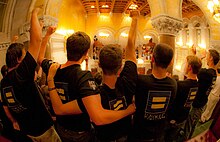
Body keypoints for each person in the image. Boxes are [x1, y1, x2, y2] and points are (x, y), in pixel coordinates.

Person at [39, 28, 135, 142]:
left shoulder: (53, 68)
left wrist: (47, 36)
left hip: (60, 127)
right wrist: (128, 111)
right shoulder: (83, 77)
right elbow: (98, 117)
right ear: (85, 53)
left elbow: (40, 58)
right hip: (79, 132)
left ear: (66, 48)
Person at [0, 7, 61, 142]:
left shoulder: (4, 82)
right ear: (18, 60)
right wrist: (34, 13)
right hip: (42, 130)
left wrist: (14, 121)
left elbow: (5, 106)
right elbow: (36, 42)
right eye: (24, 54)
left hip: (26, 130)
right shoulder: (20, 74)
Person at [92, 10, 139, 142]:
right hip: (125, 135)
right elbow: (130, 47)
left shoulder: (94, 92)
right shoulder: (128, 81)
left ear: (99, 65)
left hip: (104, 137)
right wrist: (135, 19)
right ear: (120, 67)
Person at [132, 43, 177, 142]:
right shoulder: (173, 84)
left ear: (152, 59)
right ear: (170, 63)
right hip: (159, 133)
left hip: (140, 133)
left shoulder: (141, 81)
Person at [166, 55, 202, 142]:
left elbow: (170, 100)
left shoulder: (181, 85)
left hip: (173, 119)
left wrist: (168, 81)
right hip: (183, 118)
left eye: (185, 63)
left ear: (189, 67)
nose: (184, 65)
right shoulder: (197, 84)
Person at [189, 49, 219, 138]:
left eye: (207, 56)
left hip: (197, 102)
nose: (205, 57)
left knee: (190, 125)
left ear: (211, 58)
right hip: (203, 101)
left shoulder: (206, 73)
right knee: (193, 124)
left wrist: (198, 57)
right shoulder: (213, 73)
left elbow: (195, 68)